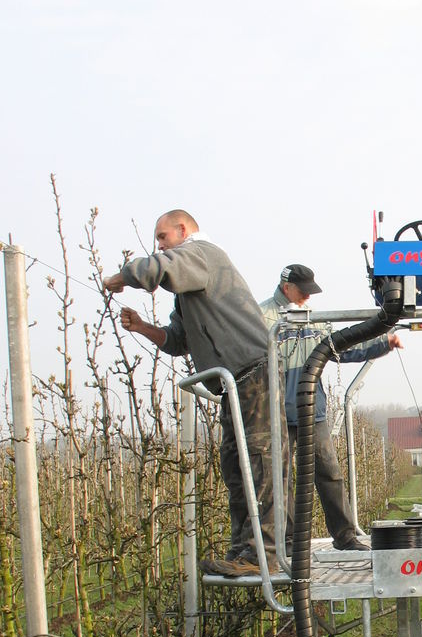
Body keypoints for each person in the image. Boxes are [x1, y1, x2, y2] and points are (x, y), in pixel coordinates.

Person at [103, 209, 287, 577]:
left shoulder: (201, 253)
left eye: (162, 237)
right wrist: (142, 327)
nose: (159, 245)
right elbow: (177, 341)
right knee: (235, 467)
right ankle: (245, 550)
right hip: (234, 384)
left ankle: (265, 553)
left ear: (183, 230)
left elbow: (157, 268)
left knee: (260, 463)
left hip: (254, 376)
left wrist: (120, 277)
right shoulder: (190, 287)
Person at [262, 263, 403, 551]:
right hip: (274, 414)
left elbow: (343, 347)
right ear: (286, 288)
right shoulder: (263, 318)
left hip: (312, 410)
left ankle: (345, 536)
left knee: (329, 473)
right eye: (304, 291)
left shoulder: (313, 319)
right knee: (280, 479)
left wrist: (383, 343)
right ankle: (288, 542)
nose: (308, 297)